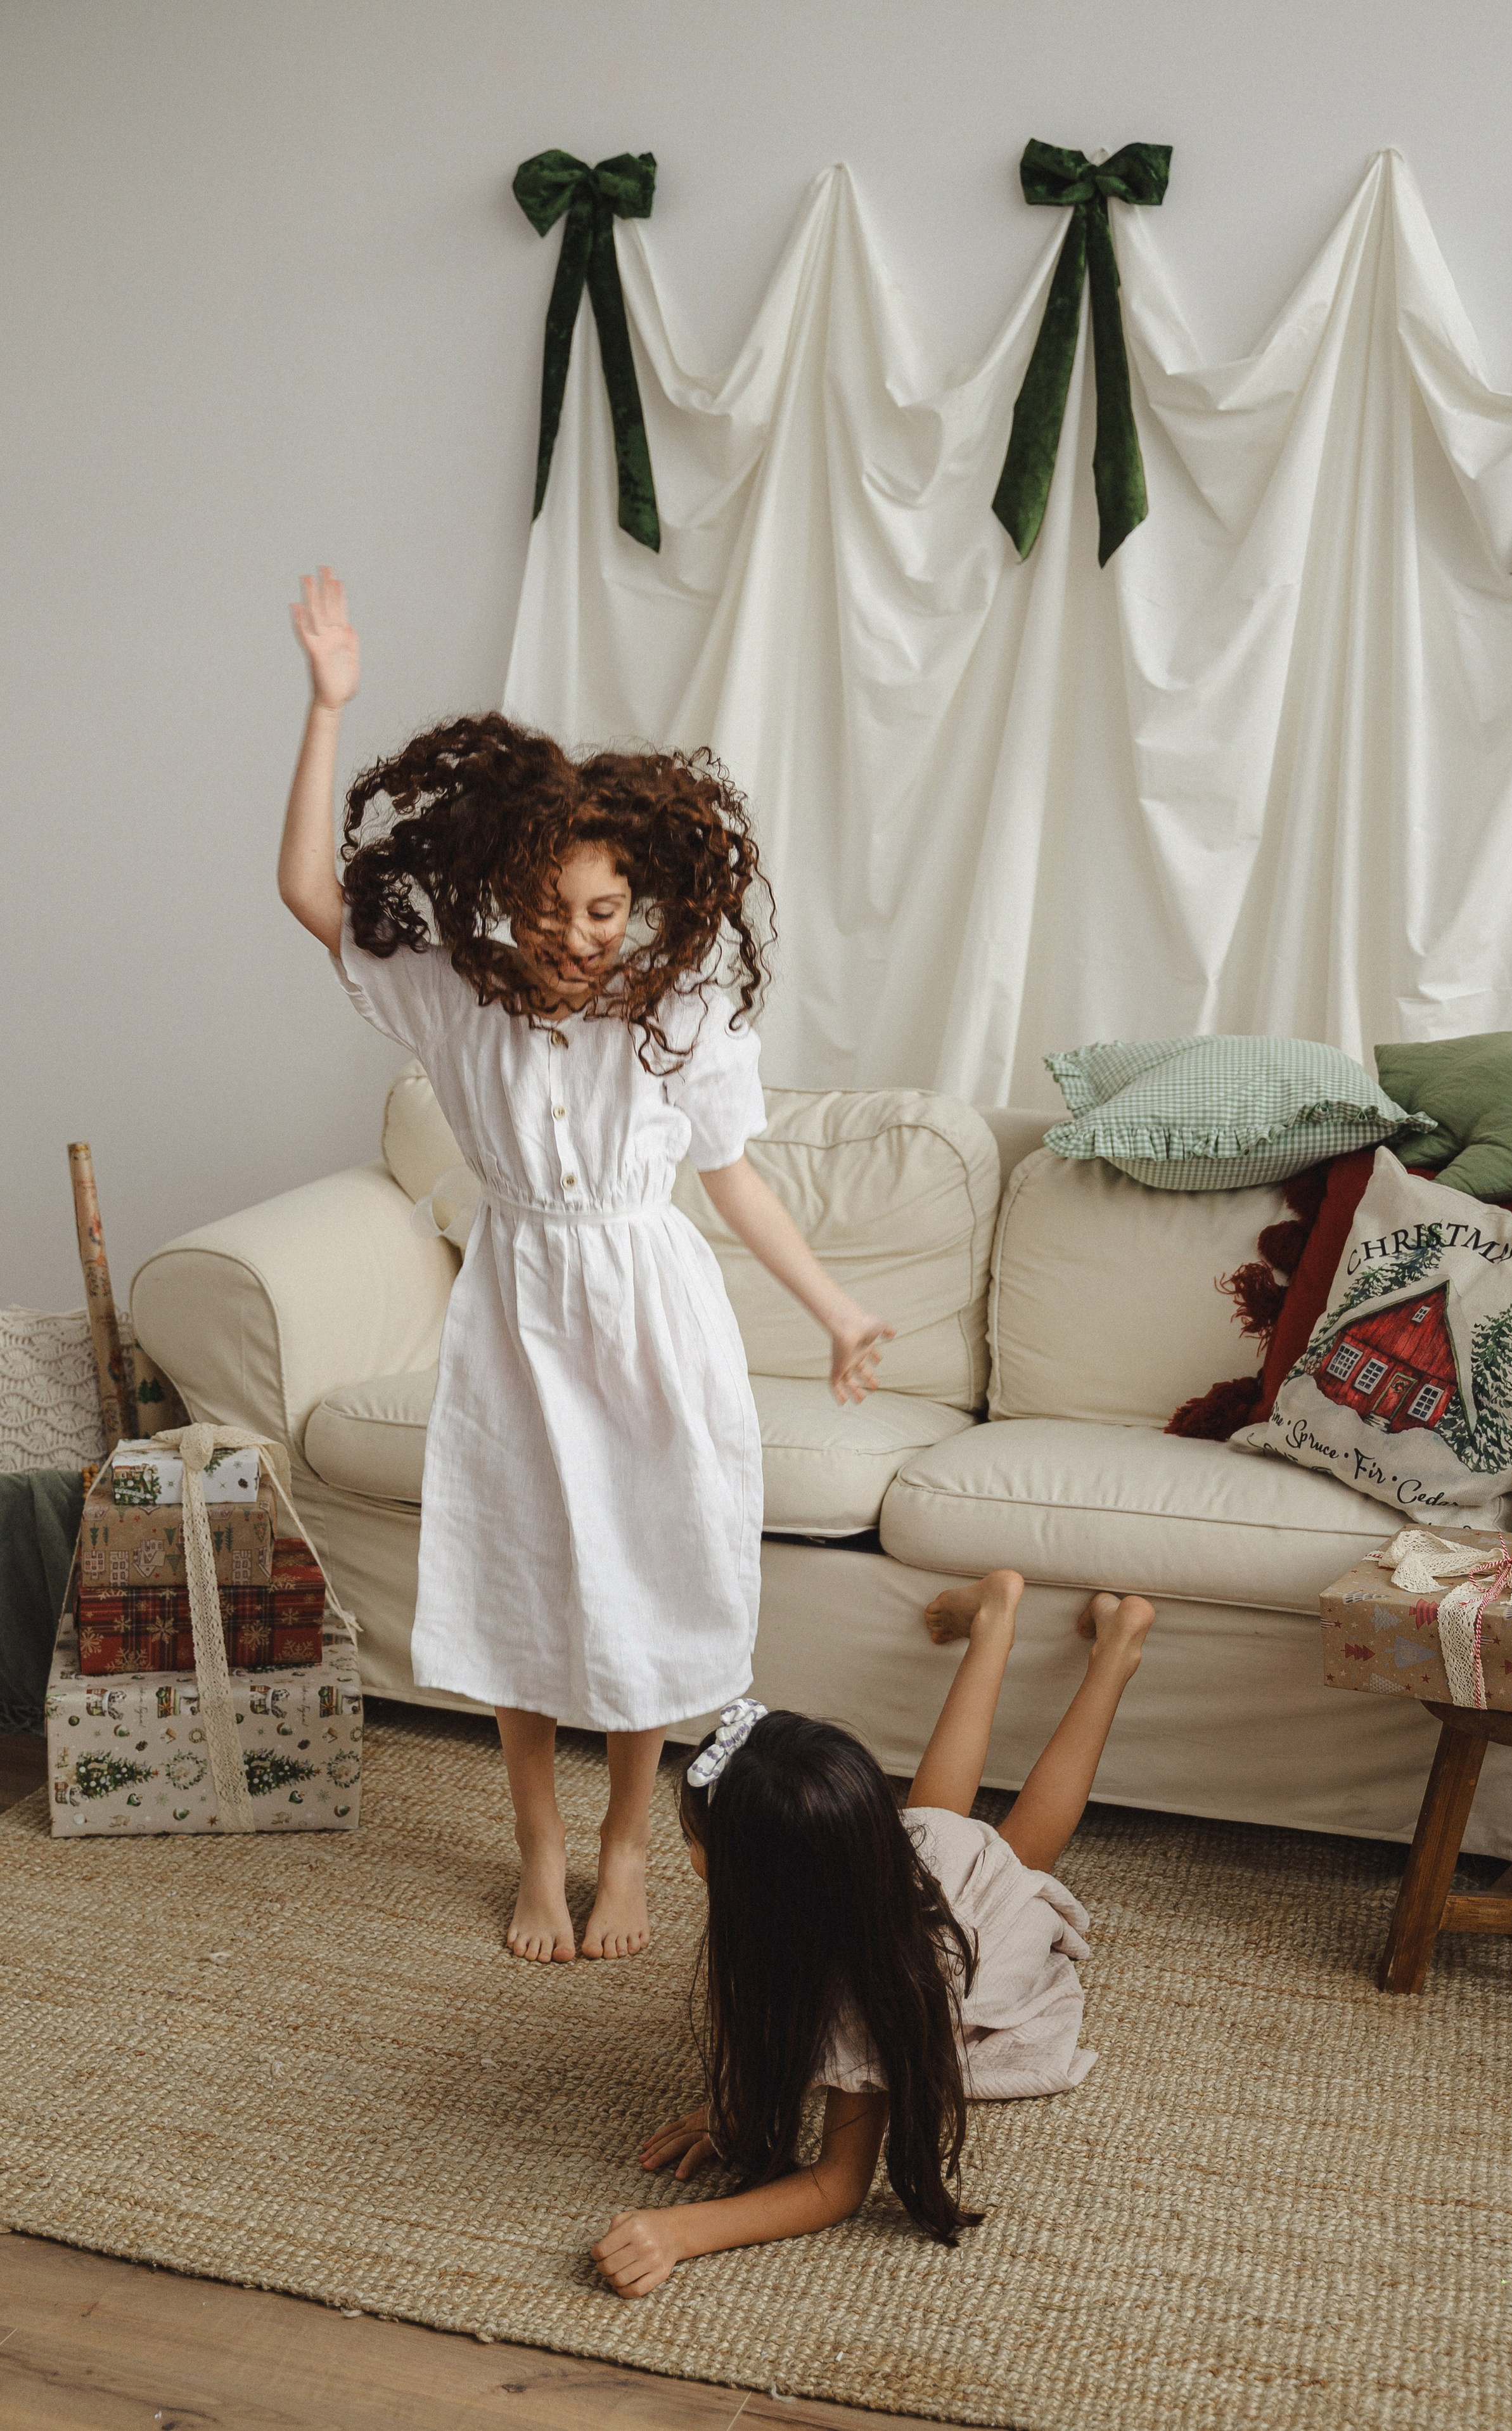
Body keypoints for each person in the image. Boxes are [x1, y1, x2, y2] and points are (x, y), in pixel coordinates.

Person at [278, 567, 894, 1963]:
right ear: (506, 897)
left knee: (643, 1577)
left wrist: (838, 1308)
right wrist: (326, 709)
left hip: (648, 1311)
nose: (576, 935)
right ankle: (539, 1857)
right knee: (521, 1575)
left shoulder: (683, 1009)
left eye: (605, 911)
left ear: (644, 903)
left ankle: (624, 1847)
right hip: (515, 1307)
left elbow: (729, 1175)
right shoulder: (451, 996)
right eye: (552, 908)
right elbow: (308, 888)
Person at [591, 1569, 1155, 2298]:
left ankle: (1111, 1651)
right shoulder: (851, 1852)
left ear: (751, 1876)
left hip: (981, 1926)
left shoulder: (866, 2002)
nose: (685, 1848)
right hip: (927, 1857)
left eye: (692, 1835)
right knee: (940, 1821)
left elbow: (836, 2185)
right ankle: (1001, 1623)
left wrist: (680, 2230)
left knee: (1021, 1854)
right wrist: (738, 2099)